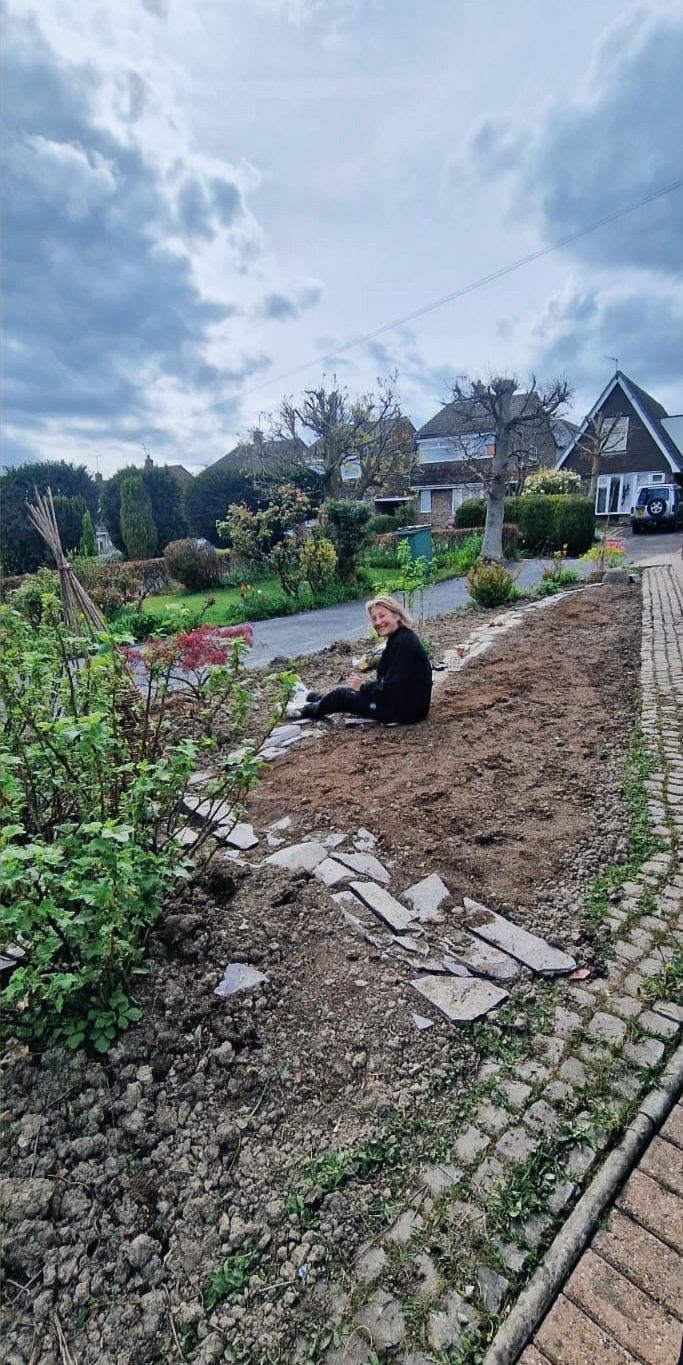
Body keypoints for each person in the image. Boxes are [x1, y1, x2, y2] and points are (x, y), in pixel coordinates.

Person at [297, 595, 432, 725]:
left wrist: (362, 687)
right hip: (409, 707)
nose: (378, 622)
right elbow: (393, 684)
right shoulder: (401, 638)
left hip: (404, 712)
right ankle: (311, 697)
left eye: (382, 616)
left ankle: (302, 710)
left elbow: (391, 690)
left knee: (342, 696)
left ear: (396, 615)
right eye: (374, 618)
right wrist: (364, 688)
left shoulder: (403, 642)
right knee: (348, 694)